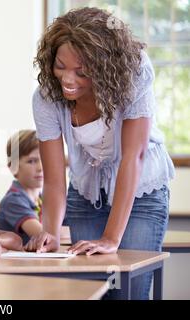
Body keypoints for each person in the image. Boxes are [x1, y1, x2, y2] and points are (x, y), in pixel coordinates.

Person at [31, 7, 174, 299]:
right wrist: (51, 233)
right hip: (85, 194)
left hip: (141, 193)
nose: (68, 79)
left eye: (81, 72)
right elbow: (56, 179)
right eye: (60, 66)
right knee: (93, 291)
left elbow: (134, 157)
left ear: (105, 66)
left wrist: (111, 238)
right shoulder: (46, 96)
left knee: (127, 293)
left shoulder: (135, 73)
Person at [0, 130, 44, 245]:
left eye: (45, 159)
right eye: (32, 161)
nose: (41, 167)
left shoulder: (44, 198)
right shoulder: (13, 200)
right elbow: (43, 235)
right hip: (19, 263)